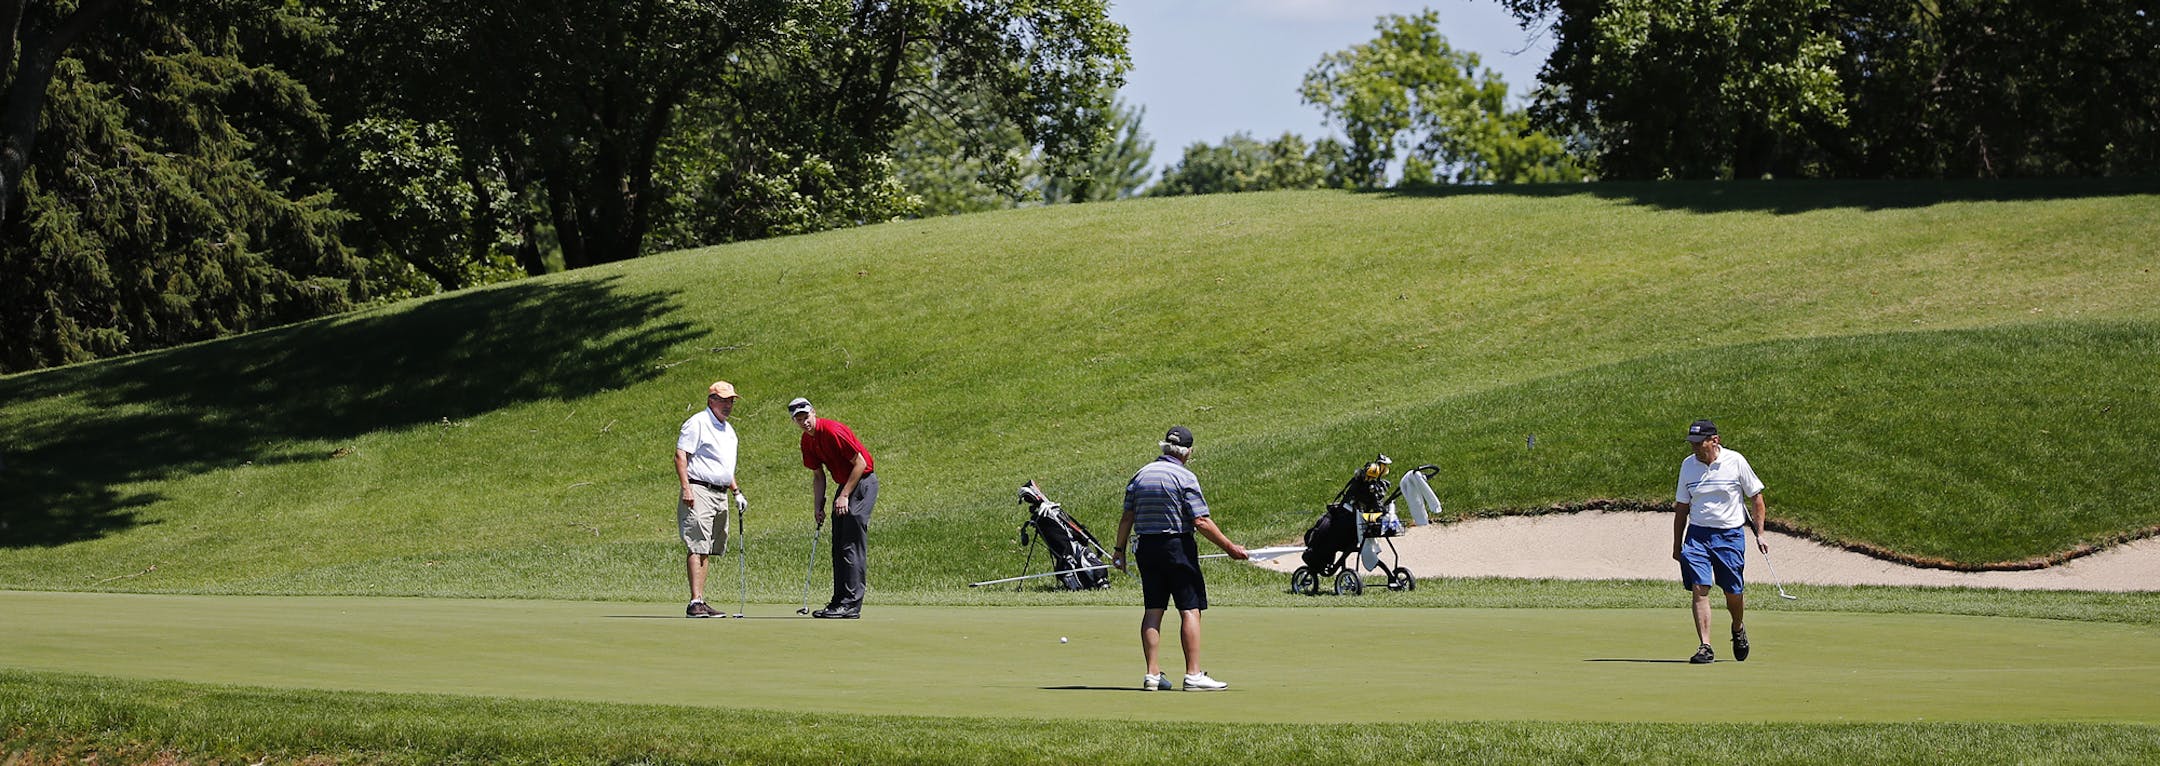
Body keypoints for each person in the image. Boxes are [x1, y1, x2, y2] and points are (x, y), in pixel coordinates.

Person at [1111, 425, 1248, 691]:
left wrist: (1119, 551)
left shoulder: (1141, 475)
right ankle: (1193, 675)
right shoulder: (1185, 477)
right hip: (1177, 547)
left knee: (1153, 609)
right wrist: (1230, 547)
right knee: (1190, 608)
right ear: (1187, 452)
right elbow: (1201, 521)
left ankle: (1152, 675)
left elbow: (1127, 517)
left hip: (1146, 548)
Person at [1672, 419, 1768, 663]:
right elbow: (1682, 507)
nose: (1695, 447)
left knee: (1733, 592)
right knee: (1699, 588)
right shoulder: (1688, 465)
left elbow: (1756, 498)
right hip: (1697, 535)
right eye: (1692, 443)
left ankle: (1737, 627)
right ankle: (1705, 646)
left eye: (1699, 442)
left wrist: (1760, 533)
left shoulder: (1735, 461)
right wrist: (1677, 545)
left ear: (1715, 440)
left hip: (1729, 535)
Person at [790, 397, 877, 619]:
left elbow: (861, 463)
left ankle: (851, 605)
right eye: (799, 419)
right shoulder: (807, 441)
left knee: (850, 544)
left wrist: (845, 495)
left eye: (806, 416)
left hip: (862, 483)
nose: (804, 422)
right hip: (845, 485)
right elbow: (818, 476)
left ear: (813, 412)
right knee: (838, 545)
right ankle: (839, 601)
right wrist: (818, 506)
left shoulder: (832, 431)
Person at [675, 381, 747, 618]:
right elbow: (681, 456)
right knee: (697, 544)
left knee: (707, 547)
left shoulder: (728, 430)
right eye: (723, 400)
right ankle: (694, 602)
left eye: (731, 401)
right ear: (711, 400)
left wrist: (736, 492)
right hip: (699, 490)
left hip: (720, 493)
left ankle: (701, 600)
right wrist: (686, 489)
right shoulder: (698, 422)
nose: (728, 405)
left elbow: (724, 467)